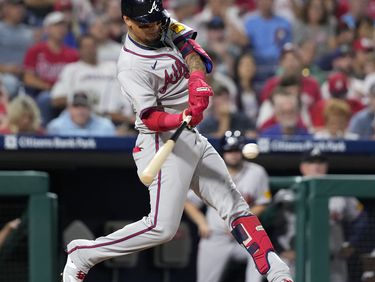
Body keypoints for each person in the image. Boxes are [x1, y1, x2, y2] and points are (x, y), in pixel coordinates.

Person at [61, 1, 293, 282]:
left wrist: (196, 80)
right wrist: (181, 115)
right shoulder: (130, 66)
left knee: (234, 206)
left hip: (190, 136)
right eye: (147, 24)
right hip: (160, 141)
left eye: (157, 20)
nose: (156, 27)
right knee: (162, 228)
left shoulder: (159, 22)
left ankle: (277, 272)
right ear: (128, 22)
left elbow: (190, 47)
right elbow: (149, 118)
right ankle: (84, 254)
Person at [184, 131, 272, 282]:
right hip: (216, 236)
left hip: (246, 236)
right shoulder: (210, 171)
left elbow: (262, 203)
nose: (233, 154)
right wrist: (201, 222)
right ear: (223, 152)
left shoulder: (257, 172)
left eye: (236, 150)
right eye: (229, 150)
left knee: (264, 254)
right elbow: (188, 201)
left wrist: (243, 223)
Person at [269, 147, 367, 282]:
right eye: (311, 162)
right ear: (303, 167)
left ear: (326, 166)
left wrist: (351, 244)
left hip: (332, 261)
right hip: (295, 260)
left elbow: (360, 219)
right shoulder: (286, 193)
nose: (316, 167)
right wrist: (278, 248)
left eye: (320, 163)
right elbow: (266, 222)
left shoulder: (339, 194)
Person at [46, 92, 117, 136]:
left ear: (90, 108)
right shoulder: (56, 127)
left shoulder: (105, 126)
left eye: (84, 106)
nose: (80, 111)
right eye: (76, 106)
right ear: (68, 108)